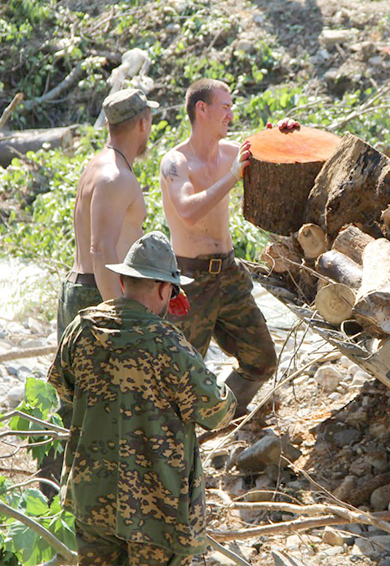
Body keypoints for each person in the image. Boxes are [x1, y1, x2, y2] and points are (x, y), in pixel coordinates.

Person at [48, 231, 236, 565]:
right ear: (166, 288)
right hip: (156, 510)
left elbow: (64, 389)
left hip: (93, 499)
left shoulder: (82, 328)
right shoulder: (170, 345)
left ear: (123, 281)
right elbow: (218, 411)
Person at [159, 78, 278, 415]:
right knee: (178, 375)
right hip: (190, 281)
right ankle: (176, 447)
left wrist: (280, 135)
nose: (231, 113)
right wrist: (231, 178)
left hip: (229, 273)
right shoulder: (176, 162)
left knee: (262, 360)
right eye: (225, 106)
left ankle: (219, 418)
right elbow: (188, 211)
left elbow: (273, 157)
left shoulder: (230, 152)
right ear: (202, 108)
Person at [56, 88, 157, 340]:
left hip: (85, 290)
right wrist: (118, 315)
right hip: (98, 295)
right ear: (143, 123)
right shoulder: (115, 177)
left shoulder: (99, 164)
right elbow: (100, 249)